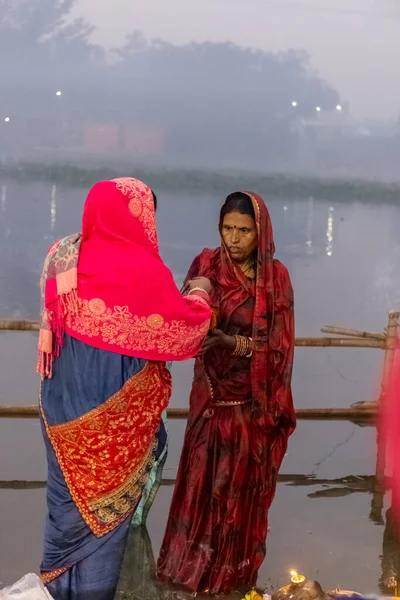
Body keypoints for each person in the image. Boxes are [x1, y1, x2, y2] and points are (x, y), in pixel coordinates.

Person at [37, 177, 212, 600]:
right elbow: (185, 333)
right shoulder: (145, 274)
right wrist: (201, 294)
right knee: (105, 525)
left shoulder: (63, 256)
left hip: (61, 415)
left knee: (66, 513)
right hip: (116, 426)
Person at [157, 191, 296, 595]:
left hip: (250, 409)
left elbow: (278, 347)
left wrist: (229, 343)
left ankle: (230, 579)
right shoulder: (205, 264)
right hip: (210, 398)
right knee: (201, 484)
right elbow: (184, 316)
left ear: (261, 232)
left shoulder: (275, 278)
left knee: (237, 497)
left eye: (244, 231)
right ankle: (189, 572)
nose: (233, 239)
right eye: (227, 229)